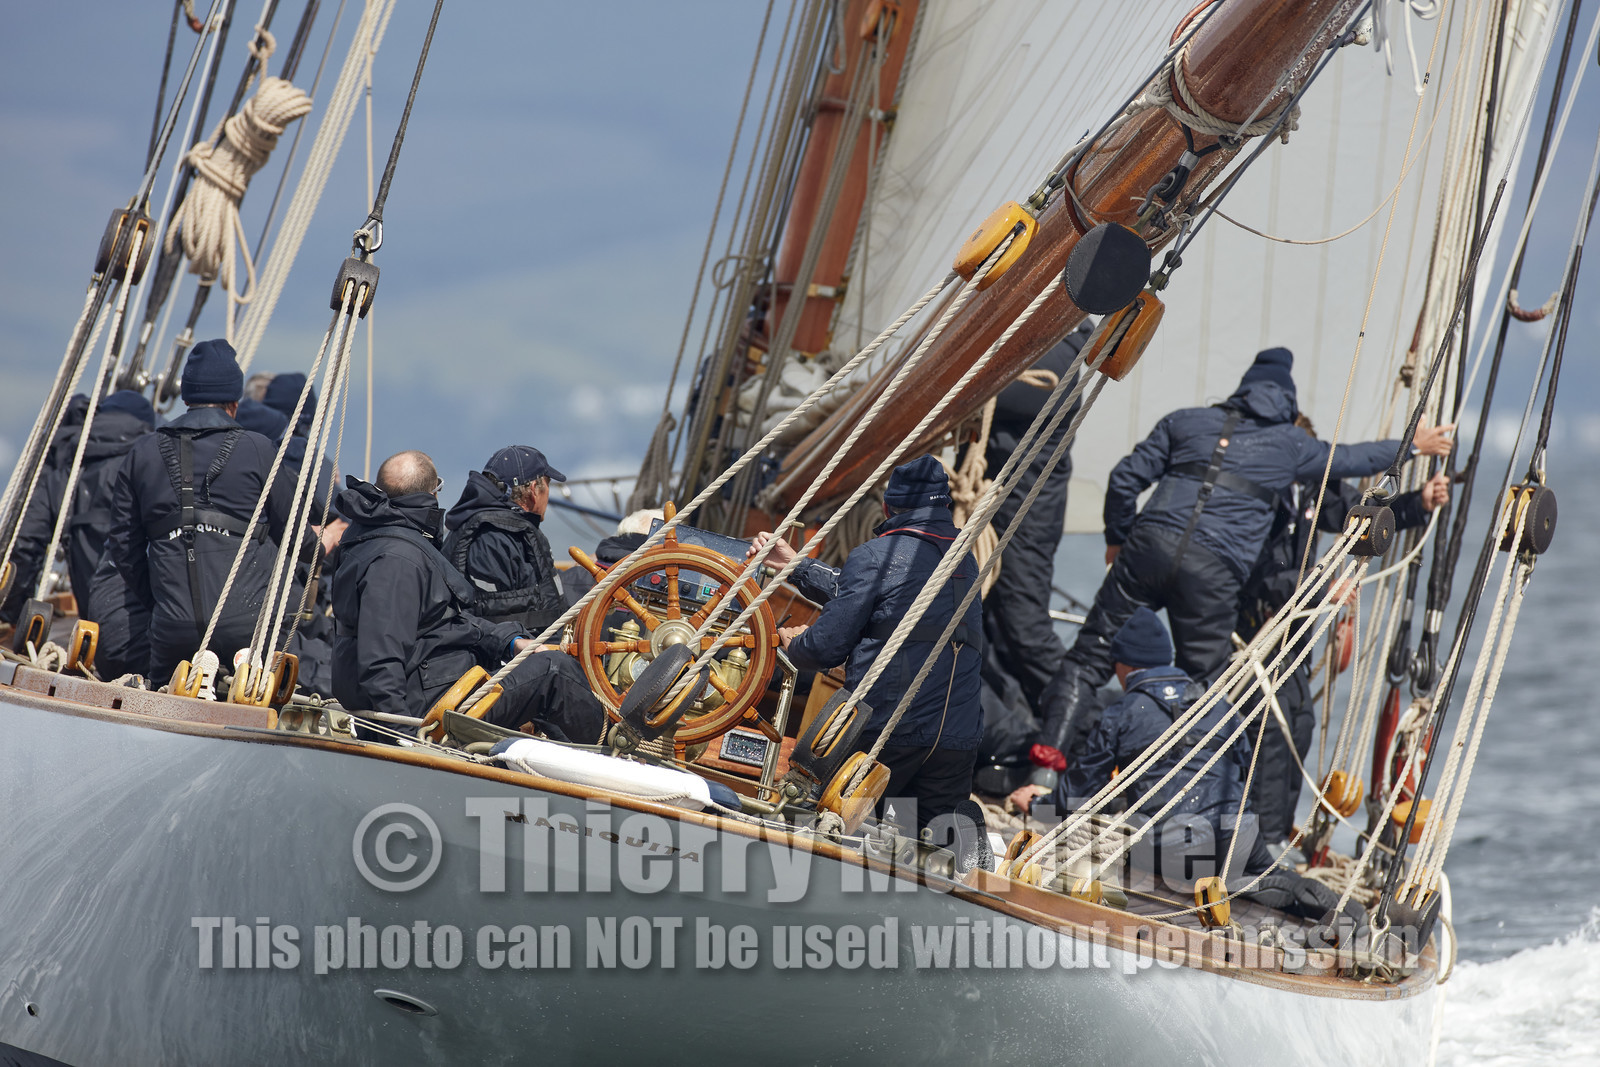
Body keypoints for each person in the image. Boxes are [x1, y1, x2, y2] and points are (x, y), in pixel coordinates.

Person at [1034, 347, 1454, 764]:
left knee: (1088, 658)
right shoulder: (1291, 444)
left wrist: (1117, 538)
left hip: (1146, 551)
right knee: (1205, 686)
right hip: (1212, 572)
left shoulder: (1183, 421)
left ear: (1243, 390)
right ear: (1287, 405)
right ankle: (1175, 783)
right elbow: (1352, 459)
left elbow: (1125, 478)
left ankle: (1045, 766)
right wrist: (1413, 447)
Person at [1239, 415, 1451, 846]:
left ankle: (1272, 836)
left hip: (1290, 632)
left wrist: (1420, 503)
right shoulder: (1256, 496)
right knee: (1270, 729)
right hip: (1254, 628)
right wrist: (1320, 587)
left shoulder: (1314, 489)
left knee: (1299, 723)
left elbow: (1363, 517)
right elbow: (1260, 574)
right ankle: (1252, 840)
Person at [749, 455, 983, 833]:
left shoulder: (875, 556)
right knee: (928, 849)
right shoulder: (966, 563)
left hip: (889, 733)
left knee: (822, 822)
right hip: (956, 740)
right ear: (944, 507)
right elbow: (888, 597)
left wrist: (795, 644)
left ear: (888, 508)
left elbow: (825, 648)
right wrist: (799, 567)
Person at [330, 450, 604, 743]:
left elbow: (446, 620)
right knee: (554, 671)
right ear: (433, 493)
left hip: (438, 684)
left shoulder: (383, 540)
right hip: (432, 706)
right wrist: (404, 738)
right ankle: (611, 755)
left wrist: (509, 642)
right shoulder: (397, 560)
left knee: (543, 665)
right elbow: (380, 657)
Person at [1016, 608, 1274, 886]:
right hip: (1239, 837)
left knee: (1116, 843)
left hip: (1174, 850)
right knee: (1275, 879)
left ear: (1124, 666)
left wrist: (1036, 804)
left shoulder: (1121, 713)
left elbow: (1079, 795)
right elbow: (1248, 772)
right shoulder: (1219, 705)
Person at [92, 340, 297, 683]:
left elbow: (124, 549)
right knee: (260, 695)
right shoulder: (260, 449)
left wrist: (160, 602)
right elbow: (293, 535)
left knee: (162, 691)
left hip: (173, 626)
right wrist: (322, 549)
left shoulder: (142, 453)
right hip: (247, 625)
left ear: (186, 400)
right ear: (234, 404)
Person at [973, 324, 1088, 794]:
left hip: (1025, 520)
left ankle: (1080, 729)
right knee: (993, 627)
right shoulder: (1030, 344)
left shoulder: (1058, 357)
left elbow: (999, 394)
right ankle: (1012, 739)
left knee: (1023, 629)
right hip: (996, 508)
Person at [1, 391, 156, 641]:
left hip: (93, 633)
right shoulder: (155, 466)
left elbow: (24, 543)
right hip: (155, 631)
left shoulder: (67, 471)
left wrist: (15, 614)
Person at [441, 445, 566, 632]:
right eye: (548, 483)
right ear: (534, 490)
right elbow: (500, 614)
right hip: (518, 646)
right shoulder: (498, 537)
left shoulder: (471, 525)